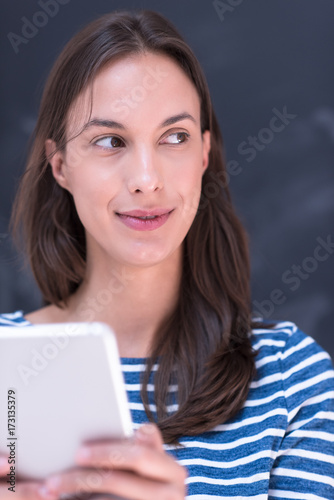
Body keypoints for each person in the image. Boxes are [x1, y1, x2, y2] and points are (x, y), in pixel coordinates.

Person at [0, 9, 334, 500]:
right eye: (110, 141)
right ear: (61, 166)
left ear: (203, 154)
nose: (146, 178)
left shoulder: (292, 377)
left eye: (173, 137)